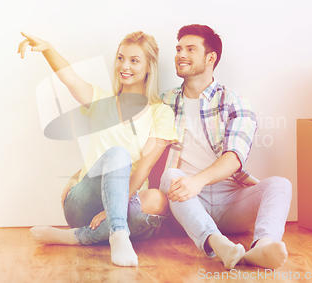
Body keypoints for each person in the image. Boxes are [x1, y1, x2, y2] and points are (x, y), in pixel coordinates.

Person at [18, 31, 177, 267]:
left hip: (129, 201)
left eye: (134, 60)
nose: (124, 66)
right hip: (84, 202)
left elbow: (147, 165)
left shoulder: (160, 112)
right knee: (118, 154)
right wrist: (49, 49)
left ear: (149, 67)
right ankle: (119, 231)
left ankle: (76, 237)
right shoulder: (100, 100)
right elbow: (70, 78)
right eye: (121, 58)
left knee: (157, 200)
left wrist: (117, 207)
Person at [159, 24, 292, 270]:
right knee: (170, 175)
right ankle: (216, 242)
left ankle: (262, 247)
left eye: (190, 49)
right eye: (178, 49)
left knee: (280, 184)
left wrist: (198, 180)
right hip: (186, 200)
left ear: (211, 58)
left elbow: (234, 157)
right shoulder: (165, 101)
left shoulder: (234, 101)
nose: (180, 54)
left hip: (230, 198)